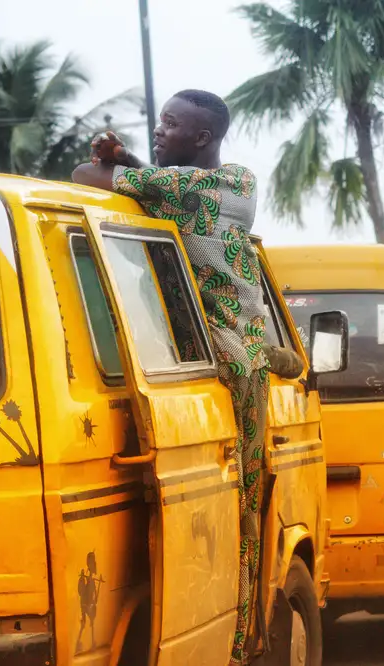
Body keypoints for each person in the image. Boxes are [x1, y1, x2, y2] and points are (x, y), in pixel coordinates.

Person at [73, 90, 270, 665]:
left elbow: (91, 176)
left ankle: (238, 646)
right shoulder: (220, 182)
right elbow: (158, 179)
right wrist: (133, 161)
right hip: (203, 360)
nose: (160, 129)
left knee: (244, 504)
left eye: (172, 124)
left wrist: (114, 161)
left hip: (238, 360)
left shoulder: (222, 186)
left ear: (202, 137)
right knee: (225, 507)